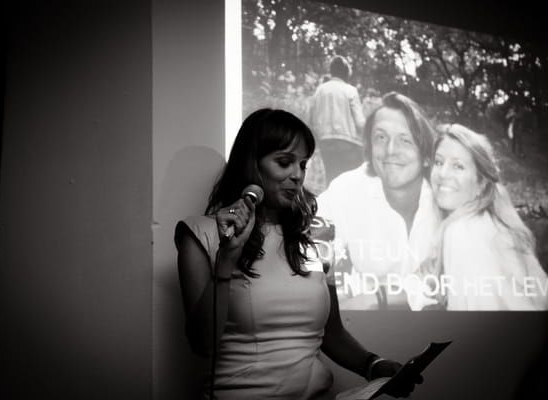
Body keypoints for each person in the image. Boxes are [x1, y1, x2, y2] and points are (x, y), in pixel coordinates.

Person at [175, 108, 422, 399]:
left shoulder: (316, 235)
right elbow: (202, 344)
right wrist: (227, 259)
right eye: (284, 162)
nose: (297, 175)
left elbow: (332, 333)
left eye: (303, 164)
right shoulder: (201, 233)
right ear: (251, 163)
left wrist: (375, 366)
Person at [316, 92, 442, 310]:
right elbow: (307, 247)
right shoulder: (348, 189)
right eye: (381, 138)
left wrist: (377, 299)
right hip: (367, 326)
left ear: (426, 155)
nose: (391, 150)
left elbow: (453, 280)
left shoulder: (444, 194)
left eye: (405, 140)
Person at [419, 123, 548, 311]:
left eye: (458, 166)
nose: (443, 174)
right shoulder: (492, 223)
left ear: (481, 184)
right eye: (438, 162)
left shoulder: (462, 232)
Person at [309, 55, 366, 184]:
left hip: (326, 144)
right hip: (348, 145)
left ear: (331, 71)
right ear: (346, 72)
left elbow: (311, 119)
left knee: (332, 182)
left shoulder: (320, 90)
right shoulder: (350, 90)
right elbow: (360, 123)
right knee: (351, 183)